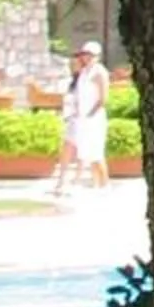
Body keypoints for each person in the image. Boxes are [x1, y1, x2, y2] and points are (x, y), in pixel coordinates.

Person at [56, 39, 111, 197]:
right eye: (85, 55)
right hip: (81, 118)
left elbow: (102, 99)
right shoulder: (84, 72)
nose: (86, 58)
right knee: (87, 152)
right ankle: (97, 184)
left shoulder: (99, 72)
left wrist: (90, 115)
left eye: (90, 55)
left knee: (96, 152)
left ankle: (105, 185)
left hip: (93, 118)